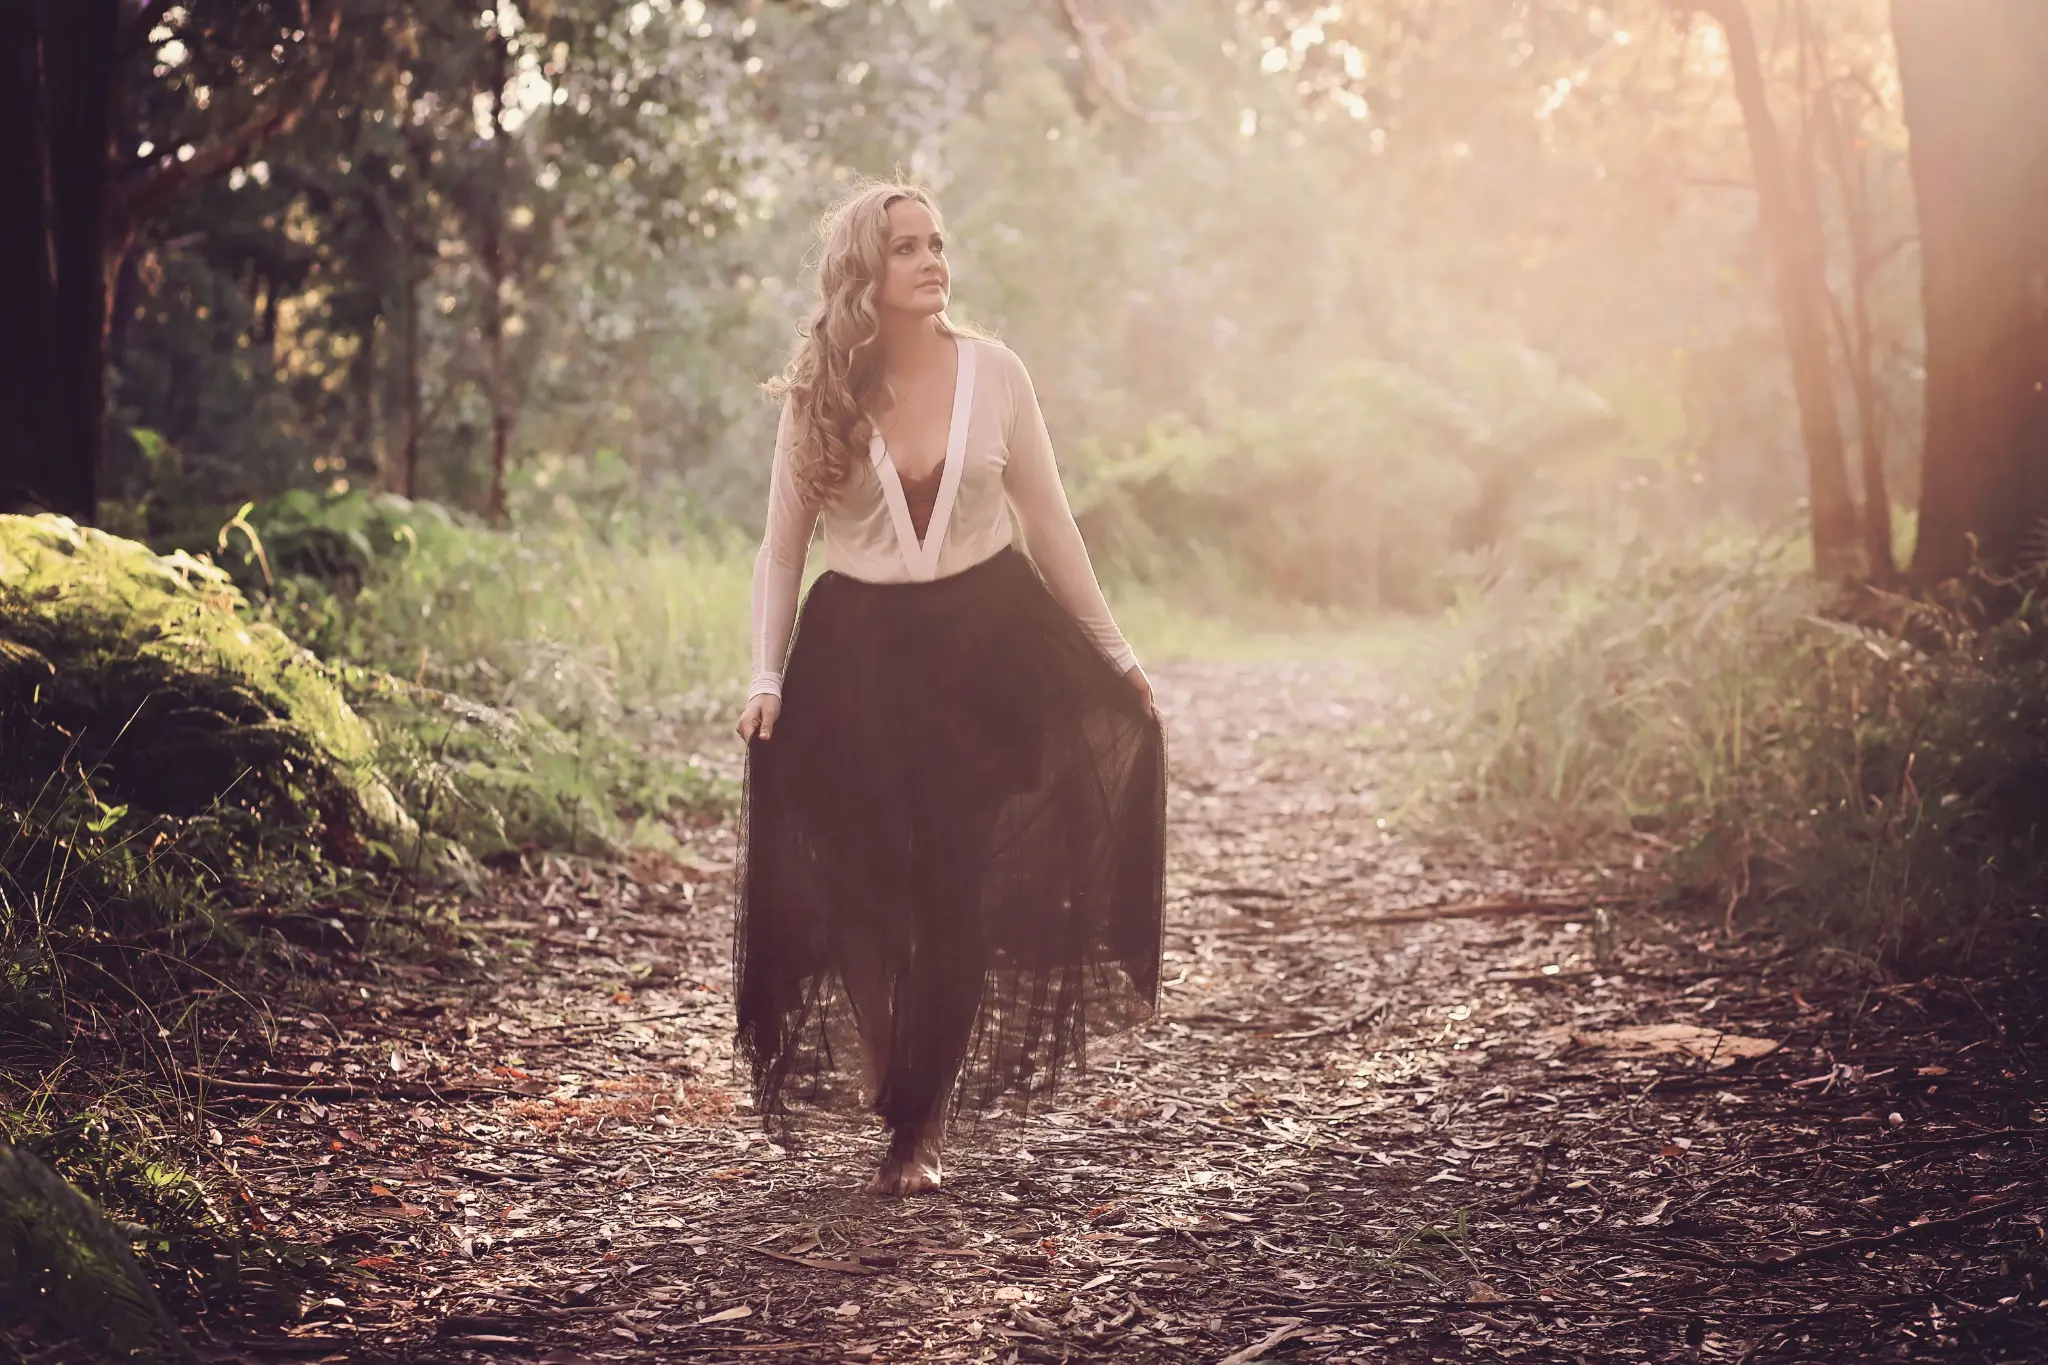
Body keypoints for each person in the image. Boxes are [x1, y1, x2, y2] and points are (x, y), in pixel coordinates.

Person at [733, 178, 1167, 1196]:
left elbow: (1050, 526)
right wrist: (763, 674)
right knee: (861, 894)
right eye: (906, 248)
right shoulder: (820, 393)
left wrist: (1116, 654)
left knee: (954, 891)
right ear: (863, 272)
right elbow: (778, 551)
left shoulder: (998, 375)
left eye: (937, 243)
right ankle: (895, 1067)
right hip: (856, 657)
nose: (932, 260)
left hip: (983, 647)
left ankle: (917, 1126)